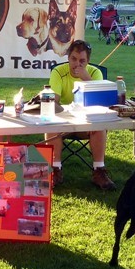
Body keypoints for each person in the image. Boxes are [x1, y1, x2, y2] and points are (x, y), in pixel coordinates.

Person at [45, 40, 115, 190]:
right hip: (65, 122)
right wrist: (65, 113)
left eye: (82, 61)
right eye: (74, 59)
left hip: (88, 121)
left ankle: (99, 171)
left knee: (99, 124)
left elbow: (100, 103)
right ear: (68, 58)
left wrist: (86, 79)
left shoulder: (95, 73)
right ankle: (55, 169)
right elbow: (54, 102)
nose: (77, 64)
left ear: (88, 61)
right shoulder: (58, 72)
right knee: (51, 123)